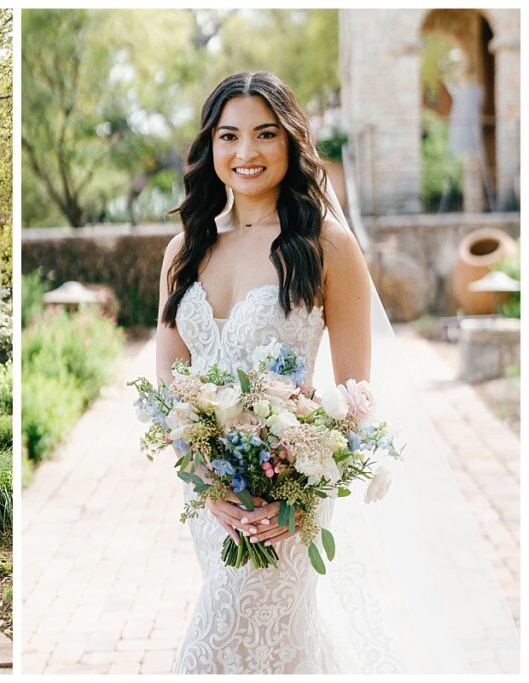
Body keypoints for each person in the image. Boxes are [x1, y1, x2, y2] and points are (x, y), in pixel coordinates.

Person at [155, 72, 516, 674]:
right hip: (212, 504)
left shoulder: (326, 247)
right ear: (210, 147)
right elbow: (170, 385)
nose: (246, 153)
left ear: (291, 143)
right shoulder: (184, 252)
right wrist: (202, 478)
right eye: (230, 136)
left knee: (209, 654)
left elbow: (356, 395)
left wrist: (297, 499)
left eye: (265, 134)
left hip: (288, 505)